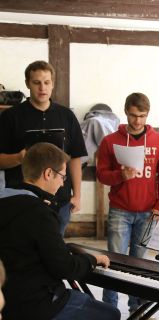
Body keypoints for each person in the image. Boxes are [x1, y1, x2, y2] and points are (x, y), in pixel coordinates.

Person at [0, 142, 119, 320]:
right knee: (111, 313)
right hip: (37, 305)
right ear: (48, 173)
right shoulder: (39, 213)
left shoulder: (5, 200)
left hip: (7, 302)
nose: (63, 184)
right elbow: (65, 268)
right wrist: (92, 259)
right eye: (63, 177)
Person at [96, 92, 159, 313]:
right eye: (132, 115)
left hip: (148, 211)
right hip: (120, 209)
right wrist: (121, 175)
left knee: (139, 263)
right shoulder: (110, 141)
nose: (137, 121)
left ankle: (136, 307)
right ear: (126, 113)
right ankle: (109, 308)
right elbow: (101, 175)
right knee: (113, 262)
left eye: (142, 116)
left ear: (147, 115)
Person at [0, 60, 87, 235]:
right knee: (24, 254)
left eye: (47, 82)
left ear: (53, 84)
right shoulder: (10, 117)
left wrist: (77, 195)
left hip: (60, 201)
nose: (42, 88)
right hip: (21, 200)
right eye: (36, 82)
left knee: (54, 253)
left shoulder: (67, 116)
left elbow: (75, 156)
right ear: (27, 84)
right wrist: (19, 158)